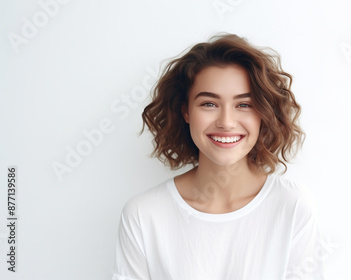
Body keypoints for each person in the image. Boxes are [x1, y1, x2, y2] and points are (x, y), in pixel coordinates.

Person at [112, 33, 325, 280]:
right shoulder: (143, 214)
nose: (226, 122)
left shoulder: (292, 206)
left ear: (263, 114)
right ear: (186, 111)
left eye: (244, 105)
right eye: (209, 104)